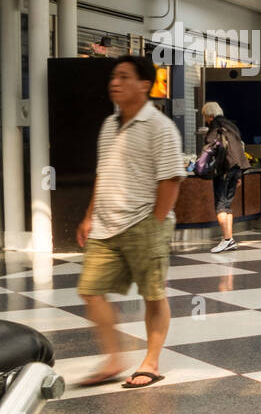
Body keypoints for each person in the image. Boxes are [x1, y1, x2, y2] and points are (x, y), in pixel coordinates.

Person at [74, 57, 186, 390]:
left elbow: (171, 179)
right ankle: (113, 359)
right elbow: (102, 172)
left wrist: (156, 221)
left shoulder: (160, 127)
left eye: (124, 76)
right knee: (90, 290)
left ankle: (150, 362)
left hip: (144, 221)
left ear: (144, 85)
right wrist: (89, 215)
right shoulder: (109, 125)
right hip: (106, 225)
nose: (115, 82)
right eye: (113, 76)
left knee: (153, 294)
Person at [199, 101, 249, 253]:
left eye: (206, 117)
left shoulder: (216, 126)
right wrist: (239, 173)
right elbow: (239, 148)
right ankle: (230, 239)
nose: (206, 120)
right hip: (236, 168)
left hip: (224, 169)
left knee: (220, 206)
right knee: (226, 205)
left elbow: (210, 145)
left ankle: (227, 239)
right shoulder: (231, 125)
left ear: (210, 115)